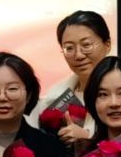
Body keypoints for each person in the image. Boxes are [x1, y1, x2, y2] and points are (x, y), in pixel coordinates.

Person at [37, 10, 114, 148]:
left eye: (86, 45)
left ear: (107, 45)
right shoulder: (54, 97)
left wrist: (88, 139)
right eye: (69, 48)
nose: (78, 55)